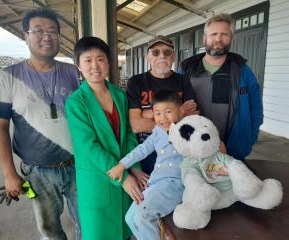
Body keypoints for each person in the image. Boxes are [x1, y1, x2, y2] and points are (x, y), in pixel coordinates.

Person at [0, 8, 81, 239]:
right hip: (35, 172)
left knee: (86, 220)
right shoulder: (8, 76)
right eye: (38, 31)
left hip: (79, 166)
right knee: (48, 228)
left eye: (52, 31)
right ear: (25, 36)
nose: (47, 36)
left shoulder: (73, 72)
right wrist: (9, 173)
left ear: (60, 36)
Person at [65, 36, 145, 240]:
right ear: (79, 67)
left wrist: (134, 167)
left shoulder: (119, 95)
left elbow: (128, 133)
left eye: (100, 59)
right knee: (100, 233)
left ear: (109, 63)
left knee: (125, 231)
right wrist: (124, 177)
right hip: (97, 179)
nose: (95, 66)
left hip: (125, 171)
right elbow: (88, 147)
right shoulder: (76, 102)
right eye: (88, 60)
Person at [178, 13, 263, 160]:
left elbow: (256, 109)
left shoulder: (242, 71)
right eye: (214, 34)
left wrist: (249, 138)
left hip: (232, 151)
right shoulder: (186, 69)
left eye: (224, 34)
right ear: (204, 38)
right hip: (194, 148)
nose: (218, 39)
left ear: (231, 38)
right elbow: (173, 105)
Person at [107, 90, 185, 240]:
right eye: (157, 113)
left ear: (180, 110)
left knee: (143, 216)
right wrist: (121, 165)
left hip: (174, 184)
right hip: (156, 184)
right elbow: (141, 150)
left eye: (168, 112)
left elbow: (203, 146)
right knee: (130, 218)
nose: (163, 118)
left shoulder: (187, 129)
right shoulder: (157, 131)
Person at [127, 35, 197, 175]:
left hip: (178, 151)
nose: (161, 56)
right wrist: (179, 113)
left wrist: (148, 114)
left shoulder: (183, 81)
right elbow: (135, 124)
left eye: (167, 52)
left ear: (174, 56)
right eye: (155, 52)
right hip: (147, 153)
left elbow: (194, 119)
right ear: (148, 57)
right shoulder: (136, 82)